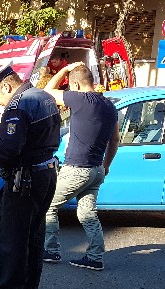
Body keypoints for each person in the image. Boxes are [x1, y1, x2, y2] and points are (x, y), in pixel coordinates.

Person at [0, 61, 60, 289]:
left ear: (6, 86)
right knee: (34, 234)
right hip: (47, 173)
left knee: (13, 238)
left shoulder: (18, 105)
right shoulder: (44, 96)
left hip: (25, 179)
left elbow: (9, 152)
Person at [41, 62, 119, 271]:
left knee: (48, 205)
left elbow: (46, 92)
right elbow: (115, 140)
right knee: (87, 214)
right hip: (96, 169)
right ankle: (95, 257)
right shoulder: (110, 106)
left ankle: (51, 250)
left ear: (75, 85)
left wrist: (64, 70)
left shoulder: (80, 99)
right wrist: (106, 165)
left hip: (77, 168)